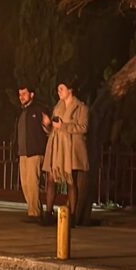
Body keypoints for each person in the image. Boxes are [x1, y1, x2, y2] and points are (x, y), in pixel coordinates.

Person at [41, 82, 89, 225]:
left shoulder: (81, 107)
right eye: (58, 89)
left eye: (61, 89)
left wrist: (64, 126)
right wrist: (48, 124)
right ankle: (48, 213)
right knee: (50, 179)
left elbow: (83, 127)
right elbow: (53, 130)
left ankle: (72, 216)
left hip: (70, 148)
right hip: (56, 147)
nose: (59, 92)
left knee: (71, 181)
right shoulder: (58, 106)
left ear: (70, 90)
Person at [14, 85, 49, 222]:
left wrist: (48, 125)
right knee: (25, 184)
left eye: (24, 93)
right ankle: (33, 210)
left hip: (35, 151)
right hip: (23, 152)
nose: (21, 96)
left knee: (33, 182)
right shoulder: (21, 112)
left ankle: (34, 213)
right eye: (20, 94)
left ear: (32, 94)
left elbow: (48, 129)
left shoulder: (39, 110)